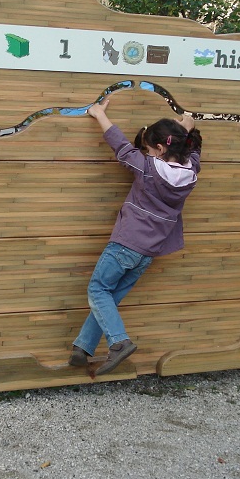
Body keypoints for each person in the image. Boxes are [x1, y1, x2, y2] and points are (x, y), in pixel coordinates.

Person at [69, 98, 202, 375]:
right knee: (110, 296)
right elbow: (194, 149)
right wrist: (189, 126)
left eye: (150, 148)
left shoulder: (149, 169)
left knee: (98, 290)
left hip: (126, 244)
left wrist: (98, 114)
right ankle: (82, 348)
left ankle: (119, 342)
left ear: (161, 148)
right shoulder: (191, 172)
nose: (146, 152)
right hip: (149, 252)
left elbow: (121, 145)